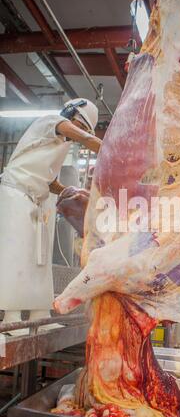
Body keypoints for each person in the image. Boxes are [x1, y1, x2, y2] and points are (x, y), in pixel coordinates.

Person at [0, 98, 102, 332]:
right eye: (80, 124)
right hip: (15, 192)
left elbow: (49, 180)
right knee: (16, 255)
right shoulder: (51, 121)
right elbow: (86, 139)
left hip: (38, 199)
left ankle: (40, 313)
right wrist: (116, 153)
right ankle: (12, 317)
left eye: (85, 128)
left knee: (40, 259)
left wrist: (70, 191)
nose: (81, 131)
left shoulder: (60, 146)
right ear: (70, 114)